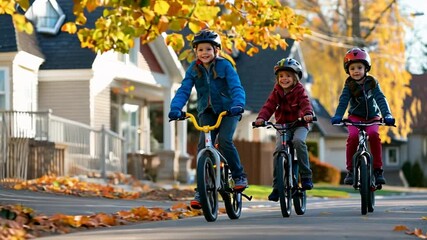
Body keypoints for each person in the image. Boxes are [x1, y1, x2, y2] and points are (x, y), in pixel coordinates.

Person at [168, 29, 248, 209]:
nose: (204, 53)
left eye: (208, 49)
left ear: (216, 50)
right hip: (207, 111)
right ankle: (201, 190)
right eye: (200, 49)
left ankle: (238, 176)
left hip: (228, 110)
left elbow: (236, 87)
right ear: (195, 51)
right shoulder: (193, 69)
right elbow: (184, 90)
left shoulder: (225, 66)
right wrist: (175, 108)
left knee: (225, 141)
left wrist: (238, 104)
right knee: (203, 147)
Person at [331, 47, 395, 185]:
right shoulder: (349, 85)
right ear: (348, 70)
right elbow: (343, 101)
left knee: (373, 135)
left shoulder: (372, 82)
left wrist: (387, 114)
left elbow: (381, 99)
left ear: (366, 69)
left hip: (373, 117)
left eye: (359, 67)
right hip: (355, 117)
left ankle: (378, 170)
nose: (356, 71)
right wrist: (338, 115)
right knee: (353, 137)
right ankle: (350, 171)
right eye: (352, 68)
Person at [254, 58, 315, 202]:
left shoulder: (300, 90)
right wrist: (261, 118)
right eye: (281, 76)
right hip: (282, 125)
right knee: (278, 151)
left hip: (299, 124)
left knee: (299, 141)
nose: (284, 79)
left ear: (295, 78)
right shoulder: (277, 91)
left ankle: (306, 176)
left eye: (288, 76)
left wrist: (308, 114)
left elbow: (305, 102)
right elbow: (269, 106)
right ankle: (277, 187)